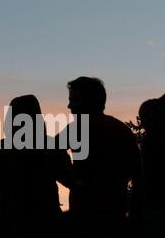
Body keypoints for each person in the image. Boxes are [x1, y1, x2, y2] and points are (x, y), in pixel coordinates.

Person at [59, 77, 142, 218]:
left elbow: (48, 152)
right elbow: (137, 173)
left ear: (88, 101)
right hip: (116, 212)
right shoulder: (121, 129)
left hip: (85, 212)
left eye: (74, 100)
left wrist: (71, 180)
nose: (69, 106)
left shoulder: (78, 127)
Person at [0, 95, 72, 223]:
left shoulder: (1, 147)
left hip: (8, 216)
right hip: (46, 217)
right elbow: (68, 178)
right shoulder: (51, 145)